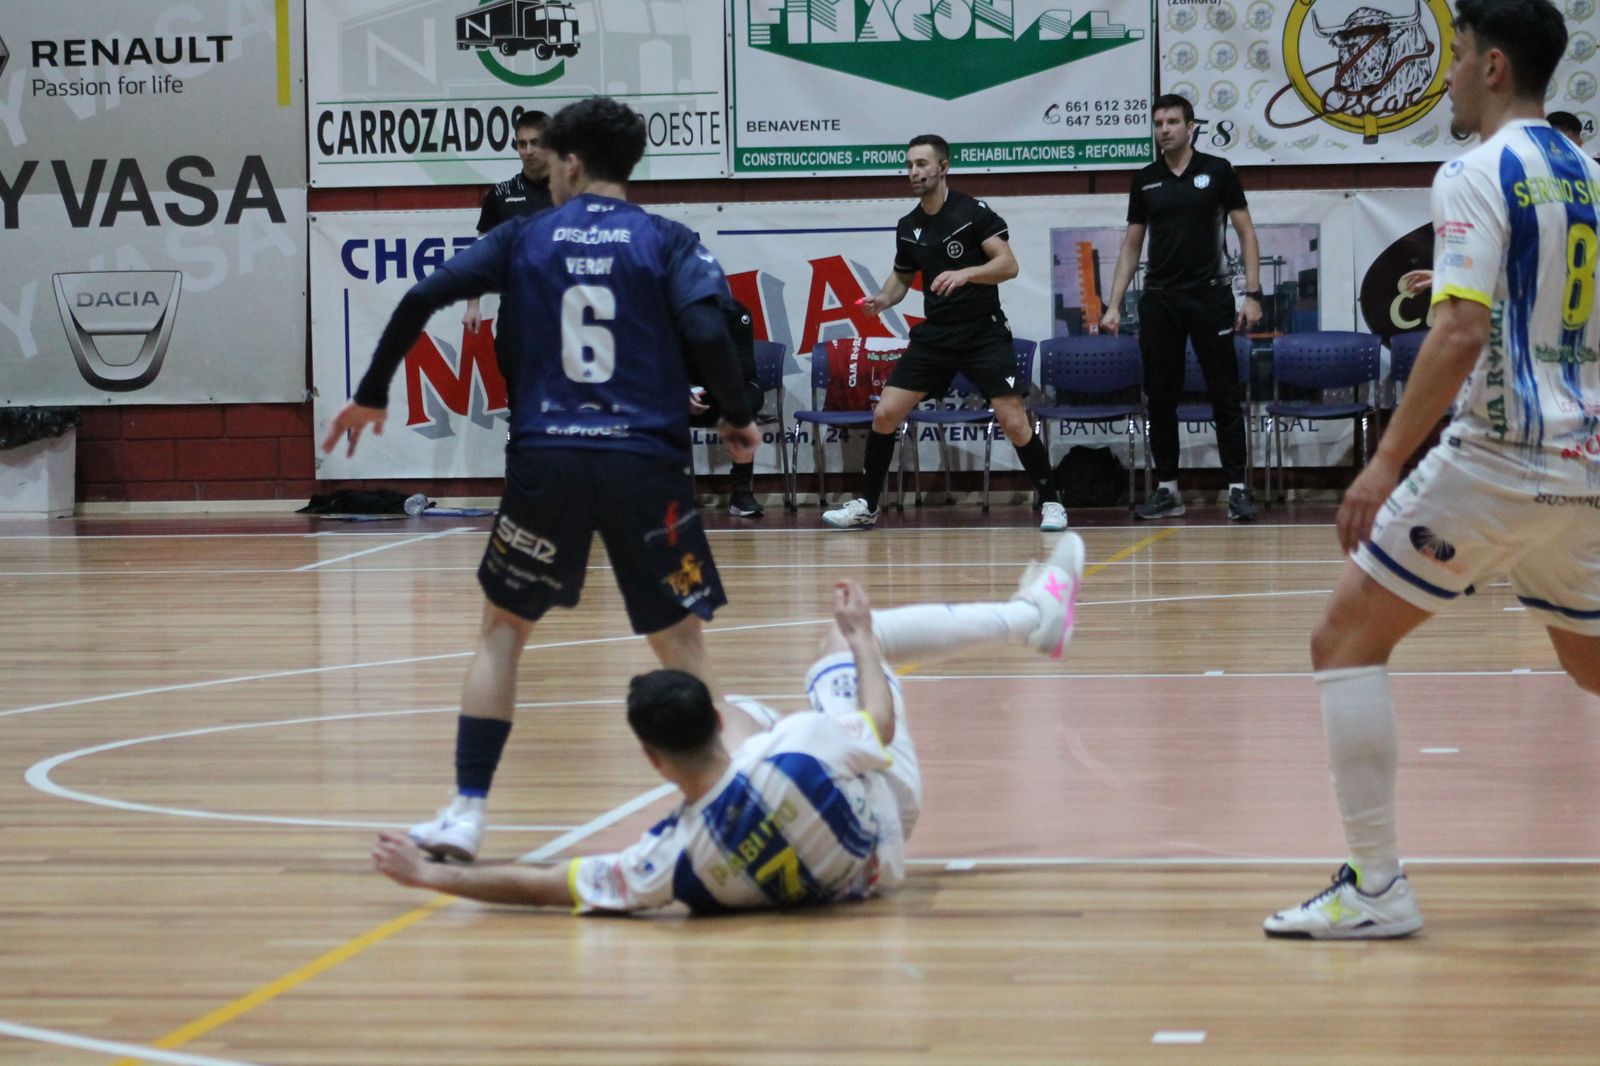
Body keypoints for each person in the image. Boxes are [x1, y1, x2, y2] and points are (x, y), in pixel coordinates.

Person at [322, 97, 762, 863]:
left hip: (547, 459)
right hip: (643, 460)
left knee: (503, 633)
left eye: (548, 160)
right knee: (679, 638)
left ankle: (465, 813)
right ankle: (725, 807)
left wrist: (372, 393)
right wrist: (735, 413)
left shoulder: (524, 235)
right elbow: (708, 331)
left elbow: (422, 296)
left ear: (572, 164)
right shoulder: (669, 240)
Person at [1265, 0, 1600, 940]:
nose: (1446, 76)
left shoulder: (1472, 169)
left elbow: (1455, 332)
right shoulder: (1589, 176)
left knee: (1342, 642)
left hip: (1496, 459)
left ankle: (1375, 890)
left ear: (1493, 66)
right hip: (1585, 465)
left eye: (1454, 58)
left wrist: (1379, 465)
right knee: (1593, 669)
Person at [372, 535, 1088, 912]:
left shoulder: (668, 862)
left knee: (756, 707)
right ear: (703, 722)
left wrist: (430, 879)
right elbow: (881, 722)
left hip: (860, 874)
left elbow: (548, 886)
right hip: (880, 806)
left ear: (653, 762)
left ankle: (1029, 618)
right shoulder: (803, 752)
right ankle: (1035, 617)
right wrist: (864, 636)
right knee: (833, 654)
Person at [821, 134, 1069, 533]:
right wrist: (884, 299)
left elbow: (1008, 265)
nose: (914, 172)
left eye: (921, 164)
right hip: (935, 336)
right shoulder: (909, 226)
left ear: (943, 167)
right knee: (885, 414)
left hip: (982, 333)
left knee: (1014, 421)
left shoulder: (973, 213)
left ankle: (1052, 502)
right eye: (909, 166)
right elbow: (902, 277)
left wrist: (967, 272)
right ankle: (867, 505)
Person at [1100, 94, 1262, 523]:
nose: (1164, 129)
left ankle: (1238, 489)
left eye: (1172, 122)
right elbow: (1132, 245)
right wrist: (1113, 304)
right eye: (1158, 123)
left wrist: (1253, 293)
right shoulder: (1145, 180)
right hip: (1160, 301)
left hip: (1210, 296)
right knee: (1161, 398)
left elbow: (1246, 233)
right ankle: (1168, 490)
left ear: (1191, 127)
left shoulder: (1218, 171)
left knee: (1224, 395)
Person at [462, 109, 554, 337]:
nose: (528, 151)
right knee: (514, 371)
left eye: (535, 143)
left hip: (561, 307)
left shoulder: (573, 192)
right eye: (522, 144)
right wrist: (472, 305)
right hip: (516, 309)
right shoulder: (500, 195)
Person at [689, 294, 767, 517]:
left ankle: (741, 494)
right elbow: (667, 362)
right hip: (695, 389)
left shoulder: (737, 313)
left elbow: (742, 366)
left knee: (743, 406)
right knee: (658, 404)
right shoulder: (679, 315)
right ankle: (666, 491)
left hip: (737, 385)